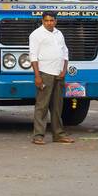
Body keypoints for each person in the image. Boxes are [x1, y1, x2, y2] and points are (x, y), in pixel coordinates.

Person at [29, 11, 75, 145]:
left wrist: (64, 70)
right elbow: (33, 56)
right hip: (45, 73)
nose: (49, 23)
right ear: (42, 21)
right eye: (46, 21)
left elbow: (65, 53)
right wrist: (37, 76)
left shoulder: (58, 33)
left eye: (51, 20)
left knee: (57, 106)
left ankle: (58, 134)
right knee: (42, 105)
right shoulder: (36, 34)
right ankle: (38, 136)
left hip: (59, 74)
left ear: (56, 21)